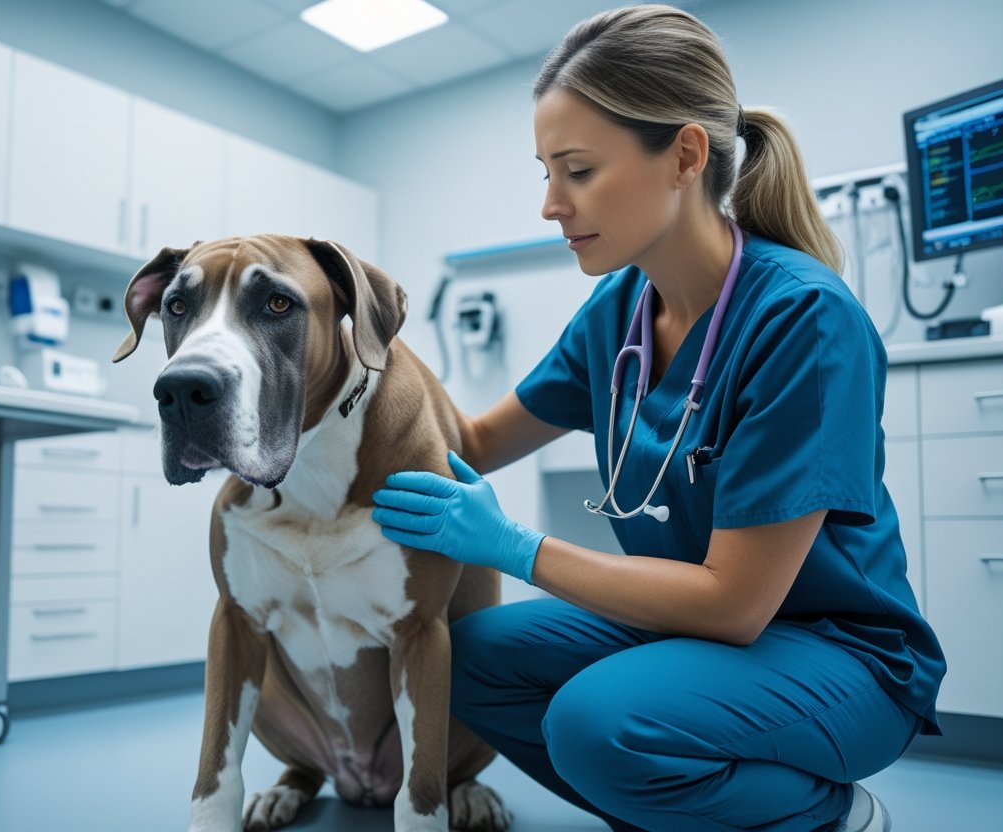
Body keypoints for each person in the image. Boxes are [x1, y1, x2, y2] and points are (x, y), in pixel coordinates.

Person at [370, 5, 945, 832]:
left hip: (837, 651)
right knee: (463, 659)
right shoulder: (618, 314)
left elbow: (734, 604)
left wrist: (515, 548)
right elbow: (477, 442)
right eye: (546, 173)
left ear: (684, 155)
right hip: (693, 636)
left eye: (577, 170)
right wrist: (358, 346)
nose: (552, 205)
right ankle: (684, 811)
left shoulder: (803, 319)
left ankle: (823, 815)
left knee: (596, 723)